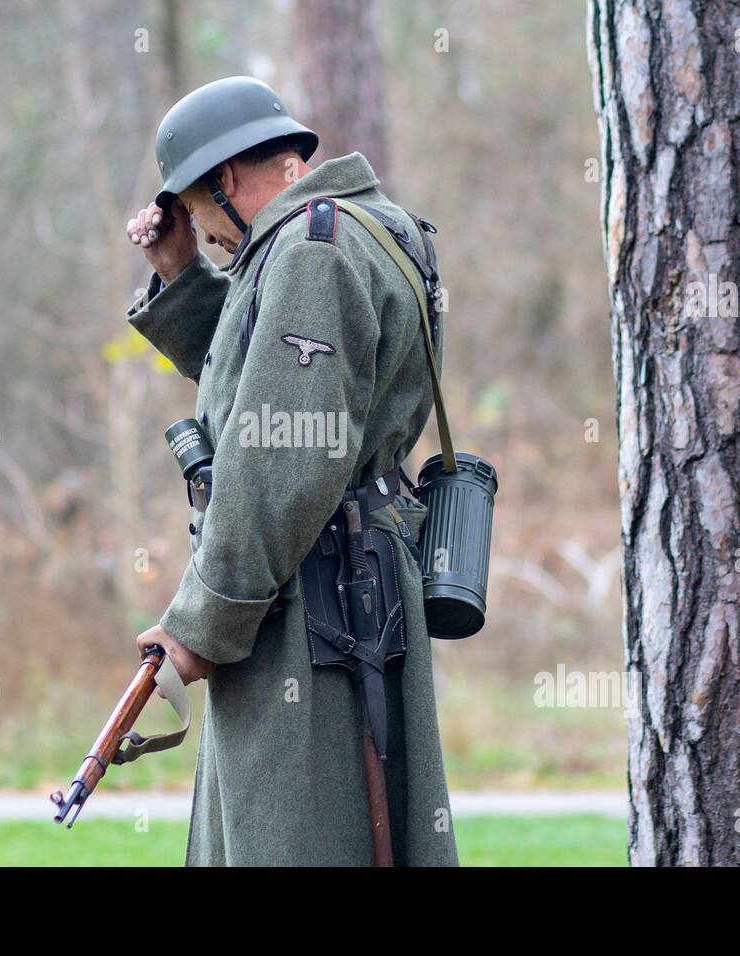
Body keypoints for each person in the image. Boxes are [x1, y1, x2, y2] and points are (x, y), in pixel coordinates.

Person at [126, 75, 457, 866]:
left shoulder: (312, 249)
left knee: (295, 838)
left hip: (315, 608)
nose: (205, 236)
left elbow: (280, 459)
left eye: (199, 217)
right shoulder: (359, 228)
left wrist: (203, 622)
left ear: (226, 180)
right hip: (341, 588)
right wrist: (180, 279)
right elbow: (260, 374)